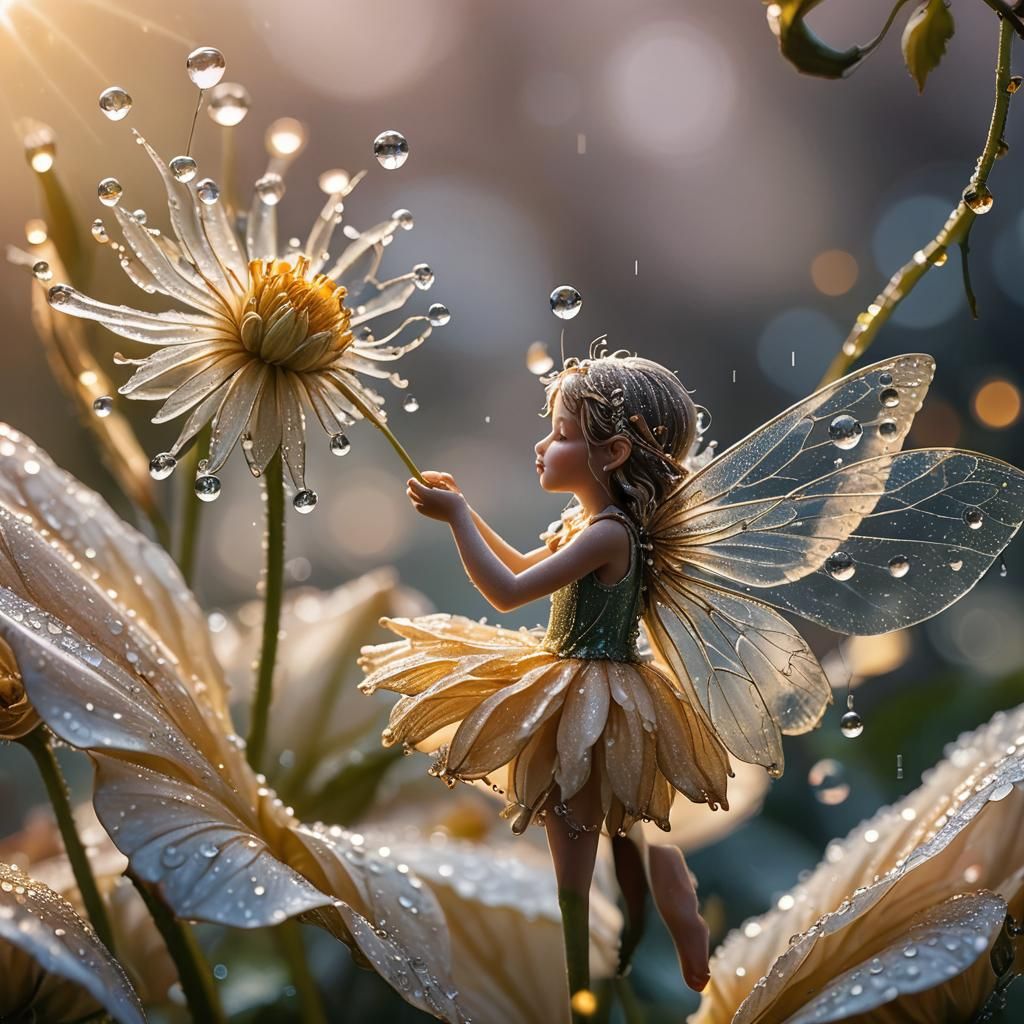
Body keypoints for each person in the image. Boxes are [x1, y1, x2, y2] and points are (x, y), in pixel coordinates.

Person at [359, 345, 1024, 1006]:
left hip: (591, 695)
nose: (543, 447)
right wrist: (467, 514)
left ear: (612, 453)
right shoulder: (593, 525)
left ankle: (593, 979)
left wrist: (455, 522)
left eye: (559, 433)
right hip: (596, 689)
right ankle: (677, 934)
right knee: (627, 834)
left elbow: (507, 591)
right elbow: (523, 569)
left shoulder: (610, 536)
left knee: (578, 847)